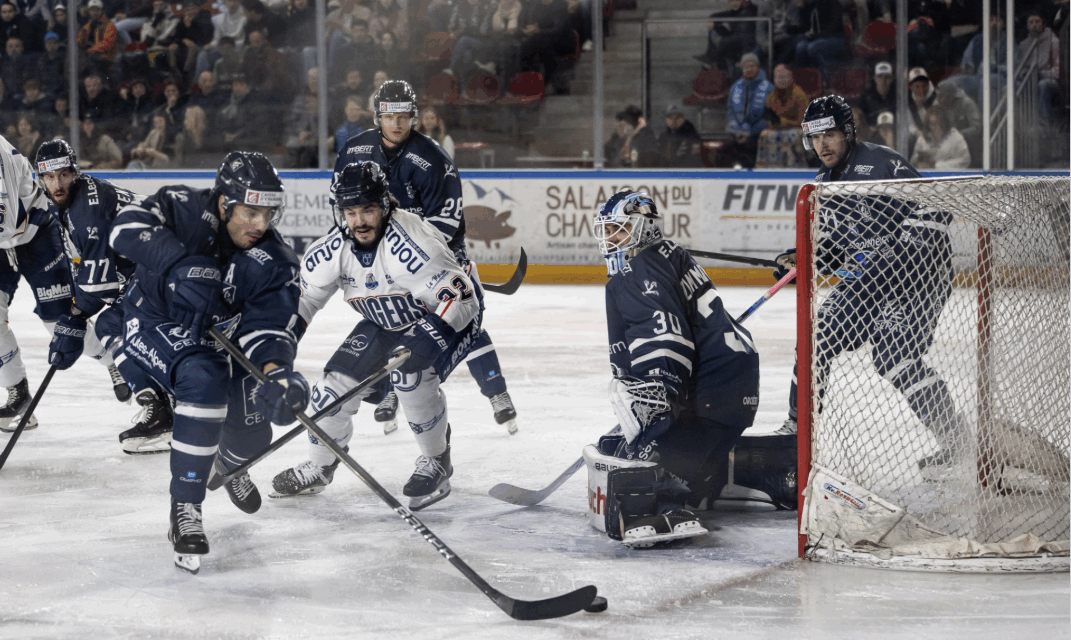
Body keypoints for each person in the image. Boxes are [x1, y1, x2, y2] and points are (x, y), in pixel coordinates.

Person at [109, 151, 306, 573]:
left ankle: (230, 463)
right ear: (224, 202)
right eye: (250, 211)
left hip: (221, 340)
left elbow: (268, 329)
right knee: (205, 379)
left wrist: (276, 374)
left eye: (268, 213)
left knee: (254, 437)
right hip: (152, 321)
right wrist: (178, 264)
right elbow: (124, 230)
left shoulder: (276, 261)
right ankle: (186, 505)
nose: (260, 224)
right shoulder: (182, 206)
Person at [771, 95, 967, 476]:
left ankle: (957, 441)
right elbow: (836, 250)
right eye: (815, 137)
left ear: (847, 133)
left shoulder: (882, 163)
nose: (822, 145)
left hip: (917, 278)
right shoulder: (824, 184)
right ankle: (796, 434)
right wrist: (803, 258)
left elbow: (936, 209)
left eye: (829, 135)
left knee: (894, 355)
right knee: (817, 336)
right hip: (868, 278)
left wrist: (900, 256)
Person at [270, 161, 483, 510]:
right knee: (331, 389)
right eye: (351, 212)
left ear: (385, 204)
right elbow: (302, 303)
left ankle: (437, 459)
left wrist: (428, 337)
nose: (360, 221)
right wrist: (274, 350)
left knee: (408, 374)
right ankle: (322, 466)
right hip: (386, 324)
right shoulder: (332, 250)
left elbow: (463, 298)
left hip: (449, 318)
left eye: (367, 209)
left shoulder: (411, 244)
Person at [584, 190, 774, 547]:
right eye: (608, 230)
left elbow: (662, 332)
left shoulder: (638, 268)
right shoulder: (669, 254)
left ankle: (666, 503)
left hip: (708, 395)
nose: (611, 239)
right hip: (732, 389)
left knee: (635, 460)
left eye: (621, 230)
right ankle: (709, 479)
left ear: (646, 229)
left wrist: (658, 387)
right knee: (621, 444)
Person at [334, 80, 519, 434]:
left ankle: (497, 393)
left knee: (462, 319)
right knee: (390, 322)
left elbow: (446, 226)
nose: (397, 123)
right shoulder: (354, 151)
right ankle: (391, 390)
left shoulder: (433, 160)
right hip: (382, 260)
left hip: (436, 256)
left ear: (413, 117)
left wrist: (409, 258)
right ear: (377, 117)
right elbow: (339, 206)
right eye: (390, 116)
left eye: (404, 116)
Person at [35, 140, 175, 453]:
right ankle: (167, 401)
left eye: (63, 175)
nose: (57, 184)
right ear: (40, 178)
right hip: (163, 266)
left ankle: (162, 412)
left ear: (75, 172)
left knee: (113, 325)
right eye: (49, 177)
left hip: (171, 267)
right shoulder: (74, 203)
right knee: (118, 319)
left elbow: (99, 286)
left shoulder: (85, 208)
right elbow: (97, 272)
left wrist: (73, 317)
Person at [0, 133, 75, 433]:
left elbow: (7, 222)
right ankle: (19, 394)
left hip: (35, 233)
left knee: (61, 325)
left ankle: (123, 370)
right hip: (4, 244)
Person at [724, 52, 773, 168]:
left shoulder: (768, 87)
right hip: (737, 131)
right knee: (725, 148)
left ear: (758, 67)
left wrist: (749, 132)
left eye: (752, 66)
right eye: (746, 66)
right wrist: (736, 129)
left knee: (750, 147)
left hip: (758, 132)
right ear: (742, 68)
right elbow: (730, 111)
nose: (749, 69)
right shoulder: (735, 87)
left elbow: (768, 116)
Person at [910, 104, 971, 169]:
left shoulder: (956, 138)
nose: (933, 128)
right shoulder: (923, 138)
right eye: (931, 124)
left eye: (935, 124)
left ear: (944, 123)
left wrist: (936, 166)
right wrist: (919, 161)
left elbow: (965, 161)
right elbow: (912, 162)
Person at [860, 61, 896, 126]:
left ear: (891, 79)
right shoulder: (865, 97)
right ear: (875, 78)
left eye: (887, 77)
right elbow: (861, 120)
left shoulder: (898, 96)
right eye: (880, 77)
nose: (883, 80)